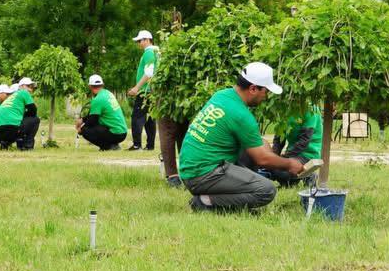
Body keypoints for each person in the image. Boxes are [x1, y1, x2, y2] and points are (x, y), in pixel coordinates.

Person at [178, 62, 305, 212]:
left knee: (255, 148)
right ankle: (205, 202)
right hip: (202, 175)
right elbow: (262, 159)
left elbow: (256, 144)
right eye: (266, 91)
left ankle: (225, 193)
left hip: (190, 169)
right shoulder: (241, 115)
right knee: (266, 190)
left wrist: (265, 148)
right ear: (253, 89)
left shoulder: (222, 95)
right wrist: (289, 164)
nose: (266, 96)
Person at [241, 106, 323, 186]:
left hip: (307, 155)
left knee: (280, 171)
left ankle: (307, 174)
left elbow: (304, 141)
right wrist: (273, 157)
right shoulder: (284, 108)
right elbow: (279, 140)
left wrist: (283, 159)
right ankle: (289, 181)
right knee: (269, 166)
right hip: (292, 155)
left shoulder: (311, 109)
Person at [77, 74, 128, 150]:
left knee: (85, 130)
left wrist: (81, 129)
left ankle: (108, 147)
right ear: (102, 85)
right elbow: (94, 116)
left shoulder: (97, 99)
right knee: (95, 126)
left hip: (116, 133)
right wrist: (82, 120)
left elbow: (92, 121)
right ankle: (113, 145)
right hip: (123, 132)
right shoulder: (108, 93)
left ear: (90, 86)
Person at [127, 30, 158, 151]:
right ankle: (150, 145)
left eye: (140, 40)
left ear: (147, 40)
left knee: (137, 117)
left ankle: (137, 145)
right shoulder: (156, 52)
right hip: (152, 91)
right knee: (150, 119)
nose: (139, 43)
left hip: (145, 91)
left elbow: (148, 73)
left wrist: (137, 88)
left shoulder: (149, 53)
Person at [0, 77, 41, 150]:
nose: (30, 89)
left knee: (19, 122)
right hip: (11, 128)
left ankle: (5, 143)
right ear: (21, 86)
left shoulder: (11, 97)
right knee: (35, 119)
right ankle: (27, 146)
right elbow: (33, 111)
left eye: (31, 87)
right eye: (28, 86)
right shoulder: (23, 92)